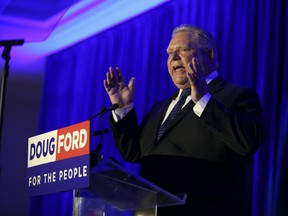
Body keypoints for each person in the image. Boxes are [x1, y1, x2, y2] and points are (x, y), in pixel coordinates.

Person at [103, 24, 263, 216]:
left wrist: (204, 100)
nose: (173, 57)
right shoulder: (158, 109)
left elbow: (248, 142)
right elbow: (133, 153)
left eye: (183, 50)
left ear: (209, 55)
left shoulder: (236, 96)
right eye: (170, 52)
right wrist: (123, 108)